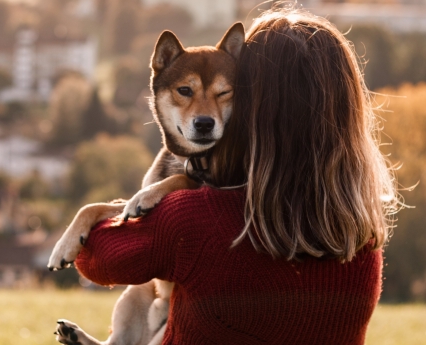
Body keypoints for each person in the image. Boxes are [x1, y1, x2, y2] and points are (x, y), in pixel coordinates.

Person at [75, 7, 399, 345]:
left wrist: (130, 205)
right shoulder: (361, 237)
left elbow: (96, 257)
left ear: (251, 108)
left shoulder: (196, 220)